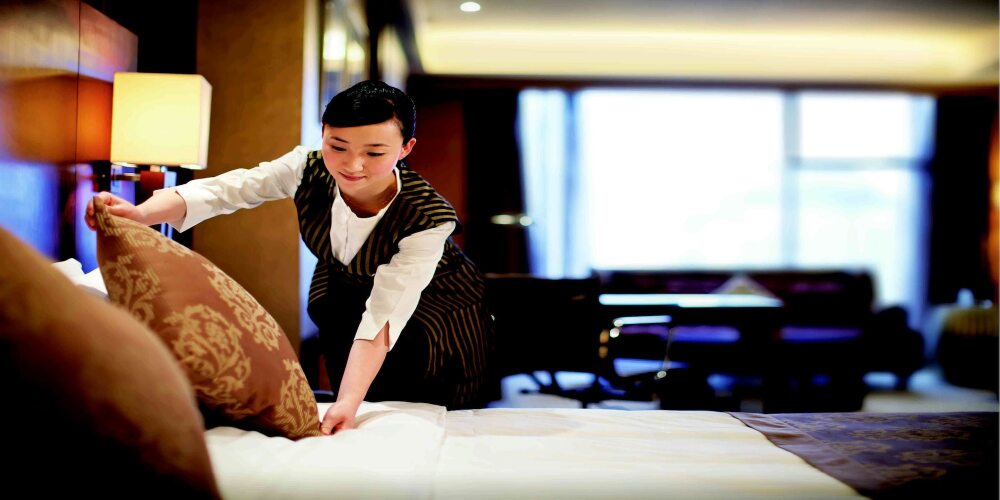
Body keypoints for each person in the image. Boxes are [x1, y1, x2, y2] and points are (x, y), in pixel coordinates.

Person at [86, 80, 494, 434]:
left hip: (438, 309)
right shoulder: (307, 167)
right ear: (324, 134)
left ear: (406, 148)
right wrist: (139, 214)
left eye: (374, 153)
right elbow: (230, 190)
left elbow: (384, 316)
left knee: (431, 405)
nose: (353, 165)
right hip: (343, 289)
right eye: (337, 146)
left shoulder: (428, 218)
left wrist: (348, 402)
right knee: (354, 400)